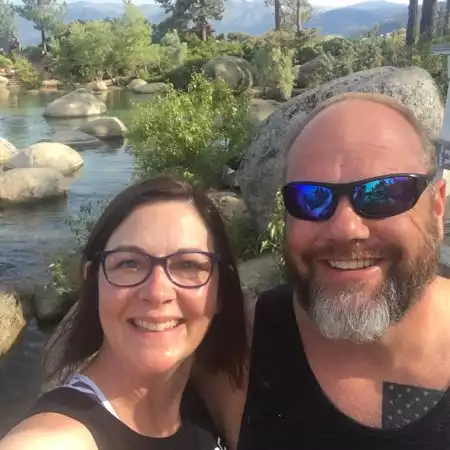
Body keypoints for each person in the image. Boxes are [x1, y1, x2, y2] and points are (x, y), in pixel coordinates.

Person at [194, 92, 450, 449]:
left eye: (382, 193)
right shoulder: (237, 354)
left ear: (437, 207)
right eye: (312, 198)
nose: (345, 228)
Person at [0, 176, 247, 450]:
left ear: (221, 291)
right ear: (93, 283)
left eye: (188, 265)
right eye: (129, 263)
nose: (157, 292)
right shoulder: (55, 439)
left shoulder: (209, 395)